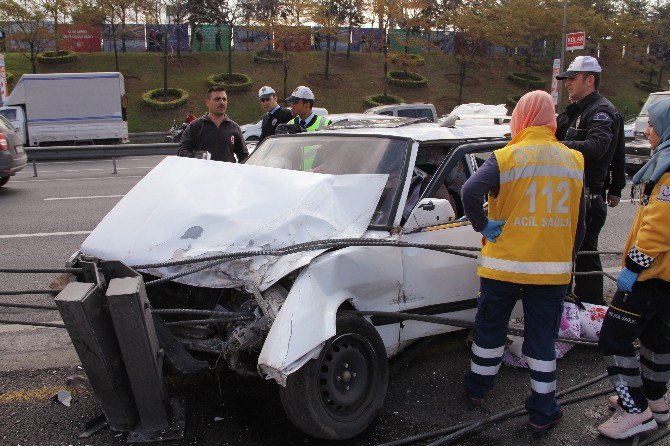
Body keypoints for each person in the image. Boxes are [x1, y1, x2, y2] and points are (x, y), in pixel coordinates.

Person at [461, 91, 585, 432]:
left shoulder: (505, 157)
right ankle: (543, 412)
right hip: (551, 271)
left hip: (503, 266)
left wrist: (483, 225)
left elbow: (470, 191)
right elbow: (581, 222)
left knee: (490, 331)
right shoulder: (574, 160)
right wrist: (568, 261)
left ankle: (476, 391)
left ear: (522, 117)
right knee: (542, 342)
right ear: (550, 118)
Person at [596, 98, 670, 440]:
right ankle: (655, 400)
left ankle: (634, 410)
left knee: (613, 337)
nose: (649, 131)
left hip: (650, 276)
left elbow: (659, 229)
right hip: (664, 278)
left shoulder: (668, 173)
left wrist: (631, 268)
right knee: (656, 339)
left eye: (653, 125)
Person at [556, 55, 626, 306]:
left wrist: (555, 147)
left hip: (587, 196)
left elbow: (601, 147)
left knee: (585, 254)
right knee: (568, 252)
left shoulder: (601, 111)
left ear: (590, 80)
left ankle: (593, 310)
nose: (567, 84)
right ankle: (568, 304)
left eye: (572, 78)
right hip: (570, 195)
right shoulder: (575, 111)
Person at [177, 86, 248, 163]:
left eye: (224, 99)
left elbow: (243, 155)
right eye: (217, 99)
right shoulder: (195, 126)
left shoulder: (234, 127)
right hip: (203, 173)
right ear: (207, 102)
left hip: (227, 174)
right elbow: (182, 150)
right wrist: (195, 157)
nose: (222, 102)